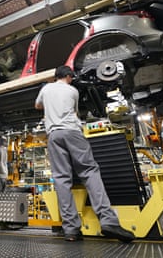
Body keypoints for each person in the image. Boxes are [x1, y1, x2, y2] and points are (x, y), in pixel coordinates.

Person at [34, 65, 135, 242]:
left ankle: (71, 230)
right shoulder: (72, 90)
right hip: (72, 132)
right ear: (68, 76)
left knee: (61, 179)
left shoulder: (46, 89)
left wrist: (49, 105)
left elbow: (37, 106)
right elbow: (74, 112)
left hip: (54, 135)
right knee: (89, 172)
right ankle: (108, 221)